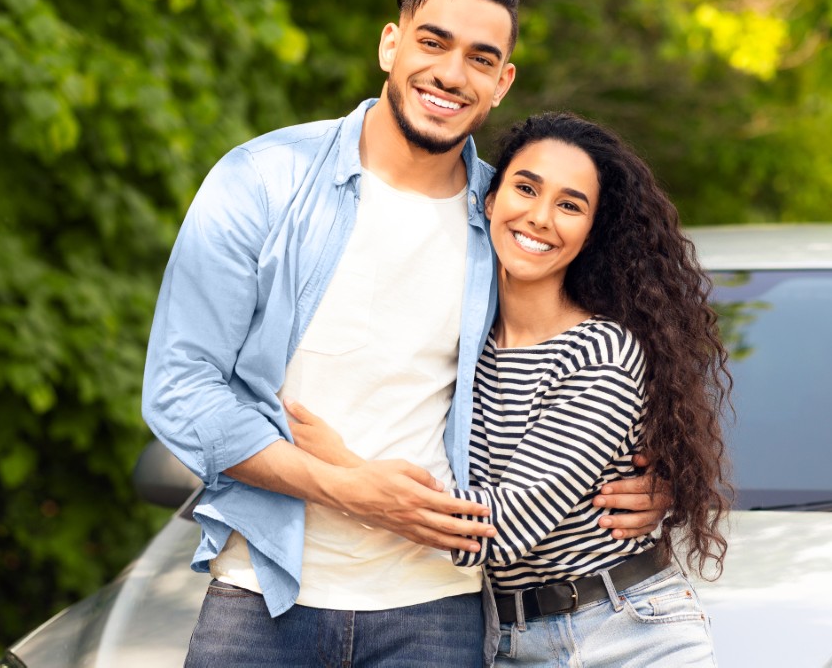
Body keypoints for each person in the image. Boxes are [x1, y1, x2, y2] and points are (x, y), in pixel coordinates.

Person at [141, 0, 667, 668]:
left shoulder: (509, 220)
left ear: (502, 82)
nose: (452, 74)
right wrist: (347, 487)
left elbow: (600, 351)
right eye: (433, 42)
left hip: (437, 614)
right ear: (391, 44)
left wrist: (663, 477)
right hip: (263, 592)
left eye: (481, 58)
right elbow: (181, 388)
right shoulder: (262, 181)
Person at [291, 111, 733, 667]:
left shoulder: (601, 351)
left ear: (593, 231)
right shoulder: (460, 344)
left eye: (570, 205)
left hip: (626, 635)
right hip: (504, 642)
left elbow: (502, 530)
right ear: (489, 200)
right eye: (525, 188)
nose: (540, 217)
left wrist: (340, 467)